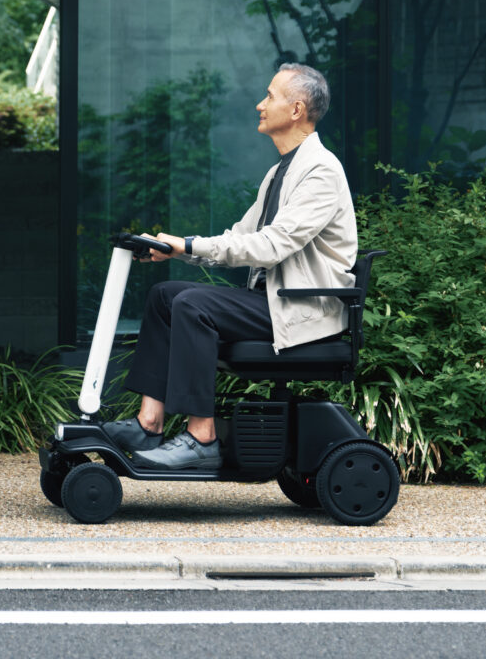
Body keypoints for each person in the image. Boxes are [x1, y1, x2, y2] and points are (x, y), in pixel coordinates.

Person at [102, 63, 358, 470]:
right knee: (165, 295)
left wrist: (188, 244)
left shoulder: (321, 171)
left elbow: (271, 246)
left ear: (295, 110)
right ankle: (148, 423)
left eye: (269, 96)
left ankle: (200, 437)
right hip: (274, 301)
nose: (260, 104)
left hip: (300, 308)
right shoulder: (280, 171)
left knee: (193, 305)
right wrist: (179, 250)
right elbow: (241, 234)